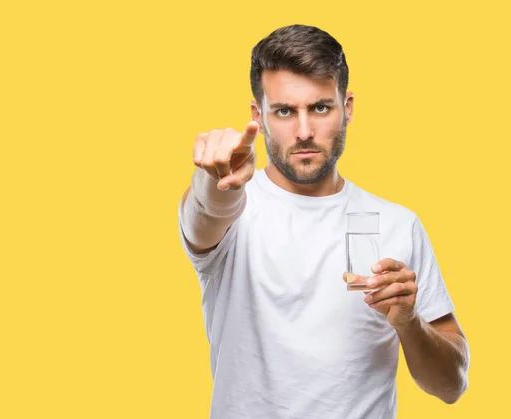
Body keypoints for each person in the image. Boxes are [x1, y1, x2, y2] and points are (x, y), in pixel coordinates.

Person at [177, 24, 469, 419]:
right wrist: (213, 181)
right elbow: (204, 215)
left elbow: (451, 387)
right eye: (284, 111)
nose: (304, 132)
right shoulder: (236, 213)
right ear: (257, 116)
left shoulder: (398, 224)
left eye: (320, 108)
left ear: (346, 108)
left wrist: (409, 322)